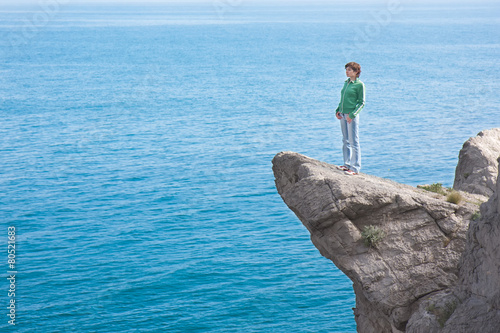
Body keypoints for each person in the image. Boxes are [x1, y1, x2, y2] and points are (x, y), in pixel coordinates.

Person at [335, 62, 365, 175]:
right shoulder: (346, 83)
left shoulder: (359, 85)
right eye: (346, 69)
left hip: (351, 115)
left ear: (356, 72)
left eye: (349, 70)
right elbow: (342, 99)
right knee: (345, 140)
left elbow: (361, 103)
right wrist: (338, 110)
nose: (347, 72)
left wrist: (352, 115)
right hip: (342, 114)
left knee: (354, 142)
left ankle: (355, 168)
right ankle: (347, 164)